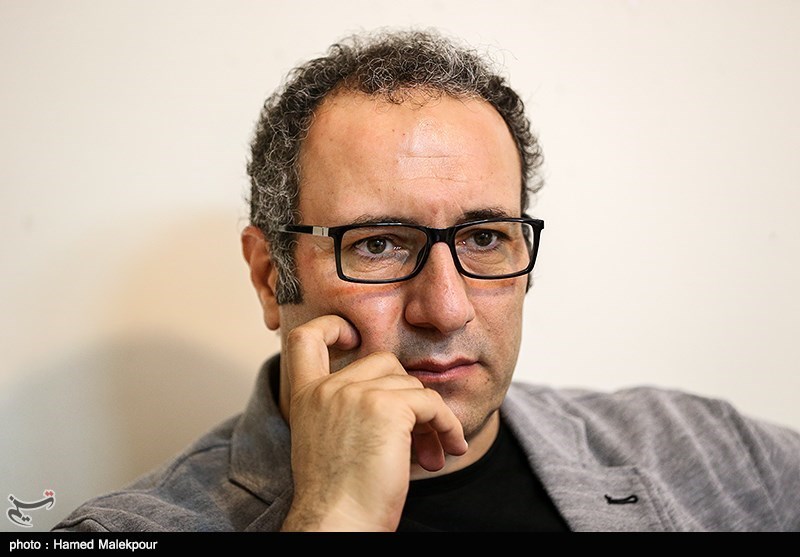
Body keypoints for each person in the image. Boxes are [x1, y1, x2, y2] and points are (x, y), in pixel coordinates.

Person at [53, 28, 800, 532]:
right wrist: (334, 516)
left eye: (484, 238)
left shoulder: (712, 453)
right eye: (378, 244)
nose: (445, 309)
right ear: (269, 276)